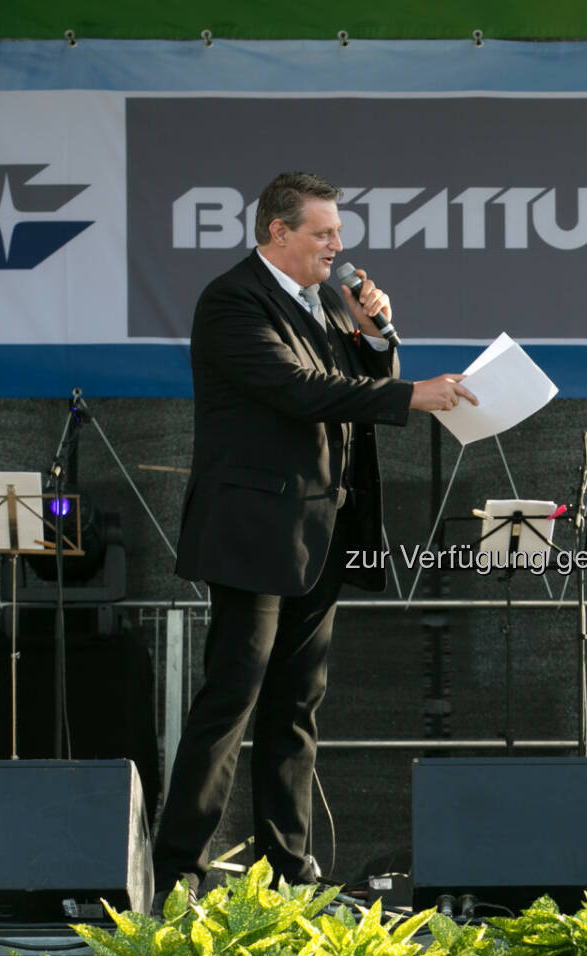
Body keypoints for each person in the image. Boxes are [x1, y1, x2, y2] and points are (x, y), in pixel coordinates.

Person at [153, 171, 477, 898]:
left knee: (295, 708)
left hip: (319, 531)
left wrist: (376, 336)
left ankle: (290, 874)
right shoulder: (234, 299)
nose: (339, 246)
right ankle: (176, 874)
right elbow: (299, 390)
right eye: (323, 233)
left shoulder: (324, 303)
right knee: (230, 701)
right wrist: (409, 395)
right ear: (278, 232)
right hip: (254, 532)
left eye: (338, 232)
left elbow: (356, 381)